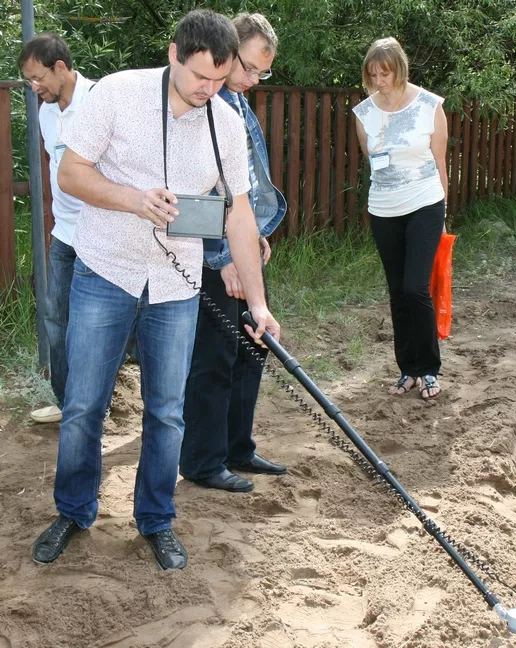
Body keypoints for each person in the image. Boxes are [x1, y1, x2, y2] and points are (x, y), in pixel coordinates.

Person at [31, 9, 280, 571]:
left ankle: (156, 519)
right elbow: (70, 173)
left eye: (219, 79)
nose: (209, 89)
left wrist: (258, 303)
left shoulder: (226, 122)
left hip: (175, 285)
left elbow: (239, 215)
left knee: (167, 411)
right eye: (200, 77)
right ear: (174, 54)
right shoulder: (119, 94)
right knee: (83, 406)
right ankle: (73, 510)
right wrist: (134, 199)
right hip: (105, 271)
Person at [179, 13, 287, 493]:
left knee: (252, 348)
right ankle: (203, 461)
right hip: (210, 256)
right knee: (215, 357)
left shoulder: (237, 103)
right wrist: (223, 257)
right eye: (248, 67)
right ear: (226, 52)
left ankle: (237, 447)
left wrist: (253, 234)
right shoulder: (203, 104)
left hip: (240, 247)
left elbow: (244, 186)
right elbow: (199, 192)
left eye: (263, 72)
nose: (253, 79)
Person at [353, 37, 448, 400]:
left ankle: (429, 369)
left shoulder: (429, 105)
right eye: (373, 74)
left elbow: (440, 162)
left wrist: (443, 212)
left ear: (400, 69)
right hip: (384, 209)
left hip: (425, 203)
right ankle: (408, 369)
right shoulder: (363, 113)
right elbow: (373, 162)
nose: (379, 80)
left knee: (415, 288)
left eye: (385, 73)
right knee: (397, 291)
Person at [18, 34, 95, 424]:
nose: (35, 87)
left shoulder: (98, 102)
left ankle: (96, 404)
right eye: (29, 80)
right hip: (64, 234)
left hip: (102, 236)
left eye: (38, 78)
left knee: (104, 326)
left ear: (60, 67)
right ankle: (69, 406)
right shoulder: (46, 113)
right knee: (57, 319)